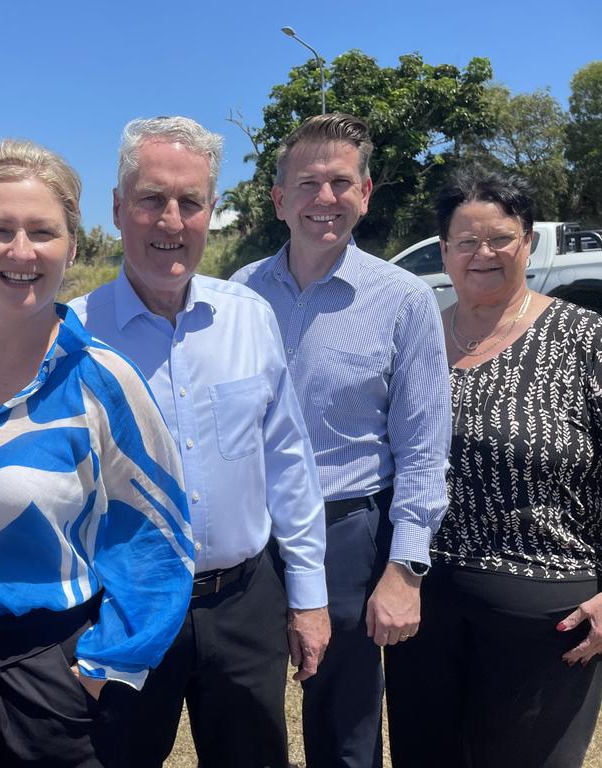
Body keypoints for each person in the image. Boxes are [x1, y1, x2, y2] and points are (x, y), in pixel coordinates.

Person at [0, 139, 193, 768]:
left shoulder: (101, 380)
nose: (21, 251)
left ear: (74, 247)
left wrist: (102, 666)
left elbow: (159, 539)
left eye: (42, 231)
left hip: (41, 680)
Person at [70, 116, 330, 768]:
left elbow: (289, 465)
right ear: (118, 208)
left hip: (244, 608)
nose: (171, 221)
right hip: (120, 608)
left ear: (212, 211)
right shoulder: (71, 335)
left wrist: (309, 598)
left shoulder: (250, 319)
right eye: (153, 199)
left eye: (191, 203)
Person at [231, 113, 451, 768]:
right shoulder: (237, 295)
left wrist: (405, 567)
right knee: (242, 712)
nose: (324, 199)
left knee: (345, 726)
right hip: (249, 539)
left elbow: (423, 445)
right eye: (306, 183)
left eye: (340, 182)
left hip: (347, 536)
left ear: (366, 192)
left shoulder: (404, 301)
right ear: (278, 199)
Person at [385, 169, 602, 768]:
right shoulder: (417, 340)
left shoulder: (584, 339)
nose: (484, 254)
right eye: (466, 241)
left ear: (528, 241)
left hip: (550, 620)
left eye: (501, 238)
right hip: (421, 613)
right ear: (445, 251)